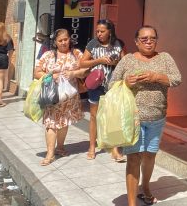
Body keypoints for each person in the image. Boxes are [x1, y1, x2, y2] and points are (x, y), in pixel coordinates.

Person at [110, 25, 181, 206]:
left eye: (152, 38)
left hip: (157, 118)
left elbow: (177, 79)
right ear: (136, 41)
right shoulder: (127, 60)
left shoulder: (165, 58)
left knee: (150, 156)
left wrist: (156, 77)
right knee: (133, 158)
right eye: (144, 39)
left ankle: (146, 187)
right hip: (133, 118)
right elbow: (111, 83)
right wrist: (126, 82)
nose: (149, 42)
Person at [33, 29, 85, 166]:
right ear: (55, 42)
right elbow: (36, 72)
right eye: (60, 40)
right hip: (52, 95)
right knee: (51, 123)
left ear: (70, 39)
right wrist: (50, 76)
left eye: (65, 39)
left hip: (70, 97)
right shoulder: (48, 55)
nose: (63, 42)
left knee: (64, 121)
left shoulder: (77, 54)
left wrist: (74, 73)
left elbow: (86, 70)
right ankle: (50, 153)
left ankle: (60, 147)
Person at [79, 19, 125, 161]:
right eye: (97, 31)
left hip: (113, 85)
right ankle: (92, 146)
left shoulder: (118, 44)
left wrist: (116, 62)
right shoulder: (92, 44)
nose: (99, 34)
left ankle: (115, 149)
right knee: (94, 116)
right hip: (96, 84)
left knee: (113, 116)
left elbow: (124, 63)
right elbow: (82, 62)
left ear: (110, 31)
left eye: (102, 31)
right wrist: (99, 60)